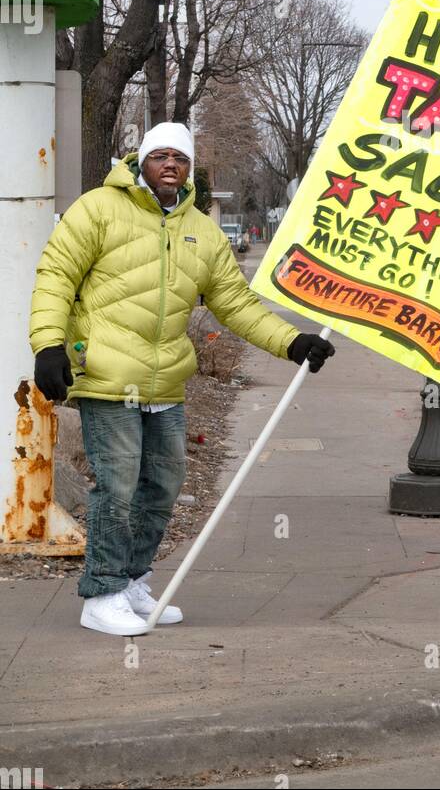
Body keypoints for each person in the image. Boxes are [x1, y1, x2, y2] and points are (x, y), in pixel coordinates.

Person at [29, 122, 334, 636]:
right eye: (160, 155)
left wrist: (292, 342)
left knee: (162, 485)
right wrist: (48, 345)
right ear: (140, 160)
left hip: (164, 383)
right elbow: (55, 276)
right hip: (105, 374)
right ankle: (100, 594)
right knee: (118, 484)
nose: (170, 164)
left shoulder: (202, 230)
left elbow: (234, 304)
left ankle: (130, 583)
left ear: (189, 169)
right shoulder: (97, 210)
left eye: (181, 158)